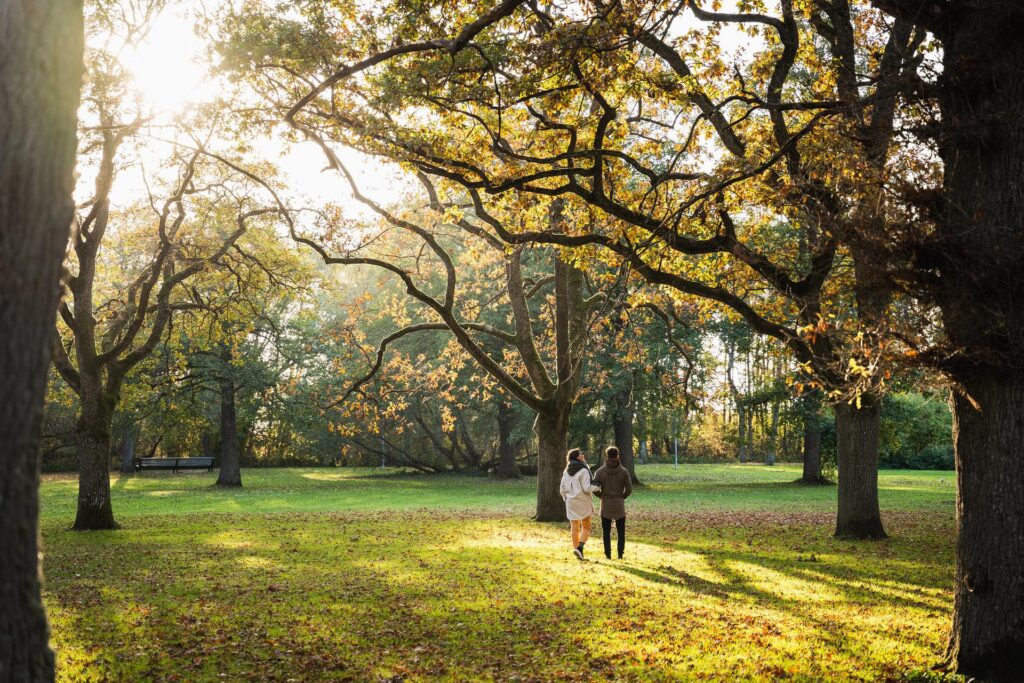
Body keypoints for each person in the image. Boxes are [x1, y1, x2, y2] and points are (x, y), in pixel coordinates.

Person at [559, 448, 601, 560]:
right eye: (581, 454)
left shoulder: (566, 471)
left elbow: (562, 489)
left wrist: (567, 499)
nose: (583, 455)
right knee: (586, 527)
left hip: (571, 503)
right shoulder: (583, 470)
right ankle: (580, 548)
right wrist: (599, 486)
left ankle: (576, 550)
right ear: (577, 457)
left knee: (574, 528)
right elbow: (587, 488)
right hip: (583, 503)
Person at [594, 446, 632, 559]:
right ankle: (620, 554)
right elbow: (629, 488)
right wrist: (622, 497)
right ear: (618, 455)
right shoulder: (624, 471)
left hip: (605, 504)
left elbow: (594, 488)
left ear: (607, 456)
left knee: (606, 532)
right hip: (619, 504)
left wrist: (600, 496)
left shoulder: (600, 471)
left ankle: (608, 555)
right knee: (621, 532)